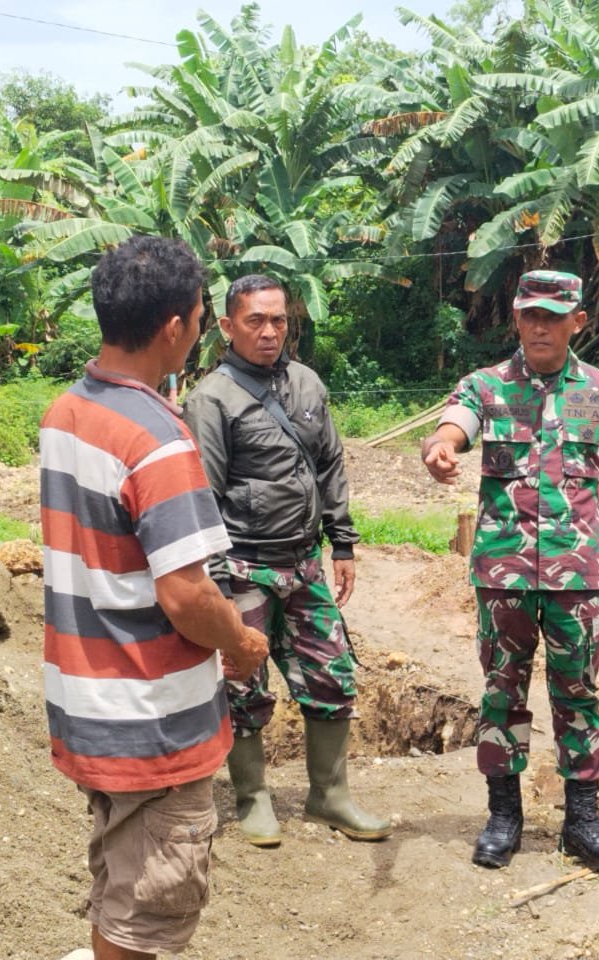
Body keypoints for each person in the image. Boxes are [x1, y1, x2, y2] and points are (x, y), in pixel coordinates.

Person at [40, 235, 269, 960]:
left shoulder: (66, 412)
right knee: (146, 911)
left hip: (87, 702)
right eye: (201, 315)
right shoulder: (158, 441)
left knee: (121, 876)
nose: (201, 328)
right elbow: (186, 594)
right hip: (151, 722)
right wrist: (241, 641)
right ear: (174, 327)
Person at [420, 269, 599, 875]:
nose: (540, 326)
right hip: (504, 576)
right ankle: (503, 816)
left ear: (577, 322)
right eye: (530, 315)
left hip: (579, 577)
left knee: (579, 694)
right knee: (501, 692)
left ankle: (583, 822)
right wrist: (440, 449)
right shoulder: (485, 387)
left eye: (553, 316)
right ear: (516, 318)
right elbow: (453, 426)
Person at [183, 274, 391, 847]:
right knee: (242, 686)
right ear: (228, 326)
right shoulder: (211, 399)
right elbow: (203, 499)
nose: (269, 331)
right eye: (255, 320)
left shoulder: (306, 384)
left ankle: (330, 797)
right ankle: (253, 800)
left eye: (278, 320)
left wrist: (342, 542)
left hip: (304, 566)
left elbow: (330, 465)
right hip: (243, 567)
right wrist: (218, 587)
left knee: (332, 675)